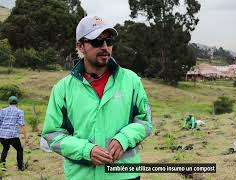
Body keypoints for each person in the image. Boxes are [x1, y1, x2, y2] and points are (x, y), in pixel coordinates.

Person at [41, 16, 153, 180]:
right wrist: (86, 150)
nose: (105, 47)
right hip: (81, 176)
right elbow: (52, 135)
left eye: (109, 41)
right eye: (96, 42)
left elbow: (145, 121)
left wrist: (124, 139)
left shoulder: (131, 81)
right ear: (80, 46)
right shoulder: (62, 89)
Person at [0, 96, 27, 171]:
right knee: (19, 149)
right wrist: (25, 136)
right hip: (13, 135)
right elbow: (22, 124)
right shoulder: (19, 111)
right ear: (17, 103)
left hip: (2, 134)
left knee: (5, 148)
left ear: (9, 102)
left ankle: (2, 166)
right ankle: (20, 166)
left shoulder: (2, 111)